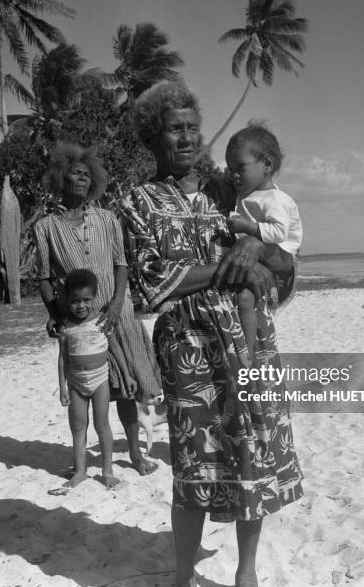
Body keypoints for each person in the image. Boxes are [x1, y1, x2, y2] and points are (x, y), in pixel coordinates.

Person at [119, 82, 303, 587]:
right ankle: (181, 576)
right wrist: (228, 260)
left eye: (192, 128)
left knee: (250, 450)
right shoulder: (138, 203)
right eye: (174, 129)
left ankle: (246, 573)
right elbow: (153, 282)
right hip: (188, 345)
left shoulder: (231, 191)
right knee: (193, 461)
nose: (186, 138)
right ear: (154, 138)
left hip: (250, 341)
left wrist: (258, 253)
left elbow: (284, 260)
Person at [34, 142, 160, 477]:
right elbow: (45, 278)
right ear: (61, 177)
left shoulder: (108, 219)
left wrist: (119, 303)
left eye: (87, 175)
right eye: (75, 173)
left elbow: (121, 264)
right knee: (85, 390)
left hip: (117, 314)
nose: (81, 179)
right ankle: (83, 462)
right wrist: (56, 315)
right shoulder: (45, 227)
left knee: (127, 389)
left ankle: (134, 453)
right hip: (82, 322)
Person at [51, 268, 136, 491]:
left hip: (100, 380)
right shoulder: (66, 328)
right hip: (76, 383)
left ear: (94, 298)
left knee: (102, 425)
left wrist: (127, 375)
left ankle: (107, 471)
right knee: (78, 428)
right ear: (67, 300)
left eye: (86, 300)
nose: (81, 305)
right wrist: (62, 387)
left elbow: (115, 349)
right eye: (75, 301)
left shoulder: (102, 321)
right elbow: (63, 360)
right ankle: (80, 472)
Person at [225, 122, 303, 366]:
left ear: (267, 165)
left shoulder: (274, 199)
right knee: (244, 300)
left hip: (282, 270)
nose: (234, 175)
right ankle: (246, 350)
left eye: (240, 167)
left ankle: (245, 353)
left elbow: (279, 232)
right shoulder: (250, 194)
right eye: (230, 169)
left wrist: (248, 229)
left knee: (245, 300)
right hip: (266, 263)